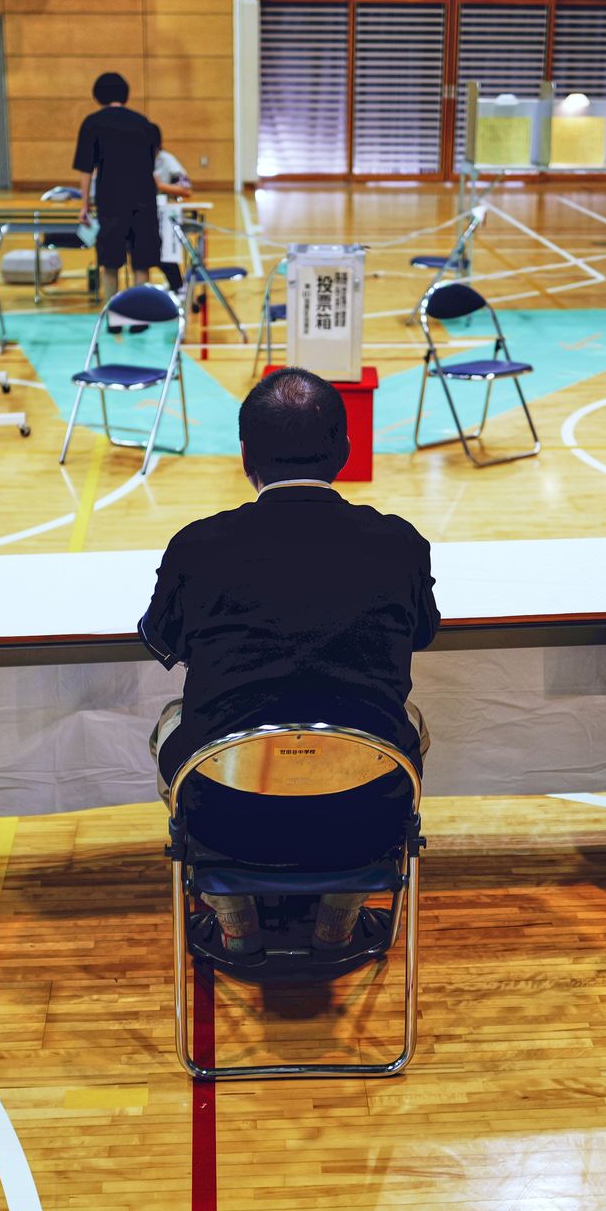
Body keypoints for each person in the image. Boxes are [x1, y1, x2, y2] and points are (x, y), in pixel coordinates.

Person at [140, 368, 439, 964]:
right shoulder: (400, 544)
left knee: (169, 726)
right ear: (345, 450)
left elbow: (160, 638)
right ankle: (337, 923)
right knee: (408, 728)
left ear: (245, 455)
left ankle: (235, 921)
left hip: (224, 814)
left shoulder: (197, 546)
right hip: (365, 814)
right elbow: (423, 632)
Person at [72, 72, 166, 293]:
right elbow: (151, 162)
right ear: (125, 94)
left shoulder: (92, 123)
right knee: (141, 262)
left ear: (98, 95)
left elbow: (86, 169)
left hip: (111, 201)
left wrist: (84, 204)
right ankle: (139, 310)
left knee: (110, 262)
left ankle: (113, 310)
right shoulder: (143, 123)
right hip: (144, 200)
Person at [154, 146, 194, 294]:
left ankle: (178, 285)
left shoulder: (167, 162)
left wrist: (160, 185)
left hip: (165, 216)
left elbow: (186, 189)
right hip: (144, 214)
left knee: (161, 250)